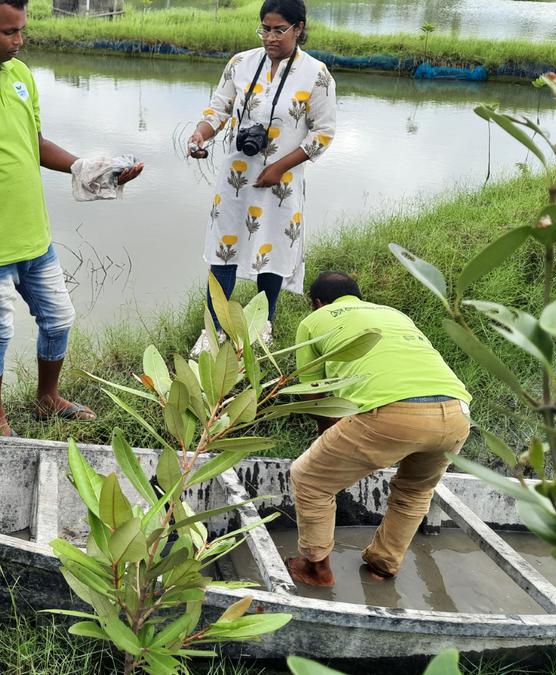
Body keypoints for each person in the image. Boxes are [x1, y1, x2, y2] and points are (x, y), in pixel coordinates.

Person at [0, 0, 143, 437]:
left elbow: (32, 143)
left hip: (34, 239)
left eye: (22, 30)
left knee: (59, 319)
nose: (20, 41)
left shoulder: (19, 75)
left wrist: (90, 169)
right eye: (9, 32)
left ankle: (47, 398)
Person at [285, 271, 472, 586]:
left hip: (393, 411)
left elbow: (312, 391)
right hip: (457, 411)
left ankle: (316, 569)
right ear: (358, 296)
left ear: (317, 302)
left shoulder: (315, 321)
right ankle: (383, 567)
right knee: (415, 490)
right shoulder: (393, 313)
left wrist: (328, 434)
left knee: (310, 479)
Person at [186, 0, 336, 356]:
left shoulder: (317, 73)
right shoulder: (240, 63)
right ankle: (214, 328)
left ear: (298, 28)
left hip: (281, 183)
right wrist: (200, 134)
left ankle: (261, 325)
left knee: (273, 247)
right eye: (264, 29)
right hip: (236, 178)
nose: (269, 37)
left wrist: (279, 167)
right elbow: (218, 107)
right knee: (223, 249)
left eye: (278, 30)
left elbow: (323, 134)